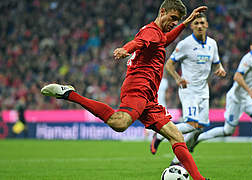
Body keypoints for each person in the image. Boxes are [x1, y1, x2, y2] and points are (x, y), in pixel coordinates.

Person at [40, 1, 209, 179]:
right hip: (138, 88)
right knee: (119, 123)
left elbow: (165, 40)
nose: (174, 22)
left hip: (149, 97)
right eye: (173, 18)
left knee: (177, 137)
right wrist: (125, 49)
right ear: (162, 11)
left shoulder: (158, 35)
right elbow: (138, 42)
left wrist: (185, 22)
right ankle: (69, 94)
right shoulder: (151, 32)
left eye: (177, 20)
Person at [150, 13, 226, 165]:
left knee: (199, 129)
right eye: (196, 23)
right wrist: (178, 79)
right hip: (188, 89)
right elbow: (169, 64)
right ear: (191, 26)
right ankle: (159, 134)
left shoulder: (212, 44)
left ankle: (175, 161)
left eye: (202, 23)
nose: (199, 25)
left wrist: (220, 69)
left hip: (204, 90)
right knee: (191, 124)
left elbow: (217, 63)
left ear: (206, 25)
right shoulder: (185, 44)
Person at [188, 36, 252, 163]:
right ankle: (199, 138)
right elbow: (237, 77)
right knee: (228, 131)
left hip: (247, 99)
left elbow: (250, 80)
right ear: (251, 47)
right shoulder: (248, 59)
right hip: (236, 99)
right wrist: (250, 92)